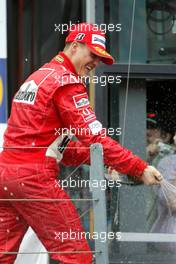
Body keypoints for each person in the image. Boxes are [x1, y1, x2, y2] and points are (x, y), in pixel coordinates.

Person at [0, 22, 162, 264]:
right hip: (34, 180)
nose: (95, 63)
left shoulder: (37, 76)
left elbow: (57, 147)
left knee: (4, 254)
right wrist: (139, 168)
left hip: (6, 177)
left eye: (100, 59)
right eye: (93, 55)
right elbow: (94, 137)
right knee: (76, 255)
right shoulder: (67, 82)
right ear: (74, 46)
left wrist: (97, 158)